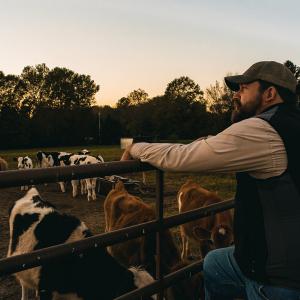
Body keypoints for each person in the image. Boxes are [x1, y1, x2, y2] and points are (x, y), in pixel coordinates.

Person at [121, 61, 300, 299]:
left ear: (269, 93)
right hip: (267, 257)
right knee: (215, 261)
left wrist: (136, 148)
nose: (236, 94)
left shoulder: (263, 130)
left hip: (275, 278)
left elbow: (182, 157)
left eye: (244, 88)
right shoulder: (288, 125)